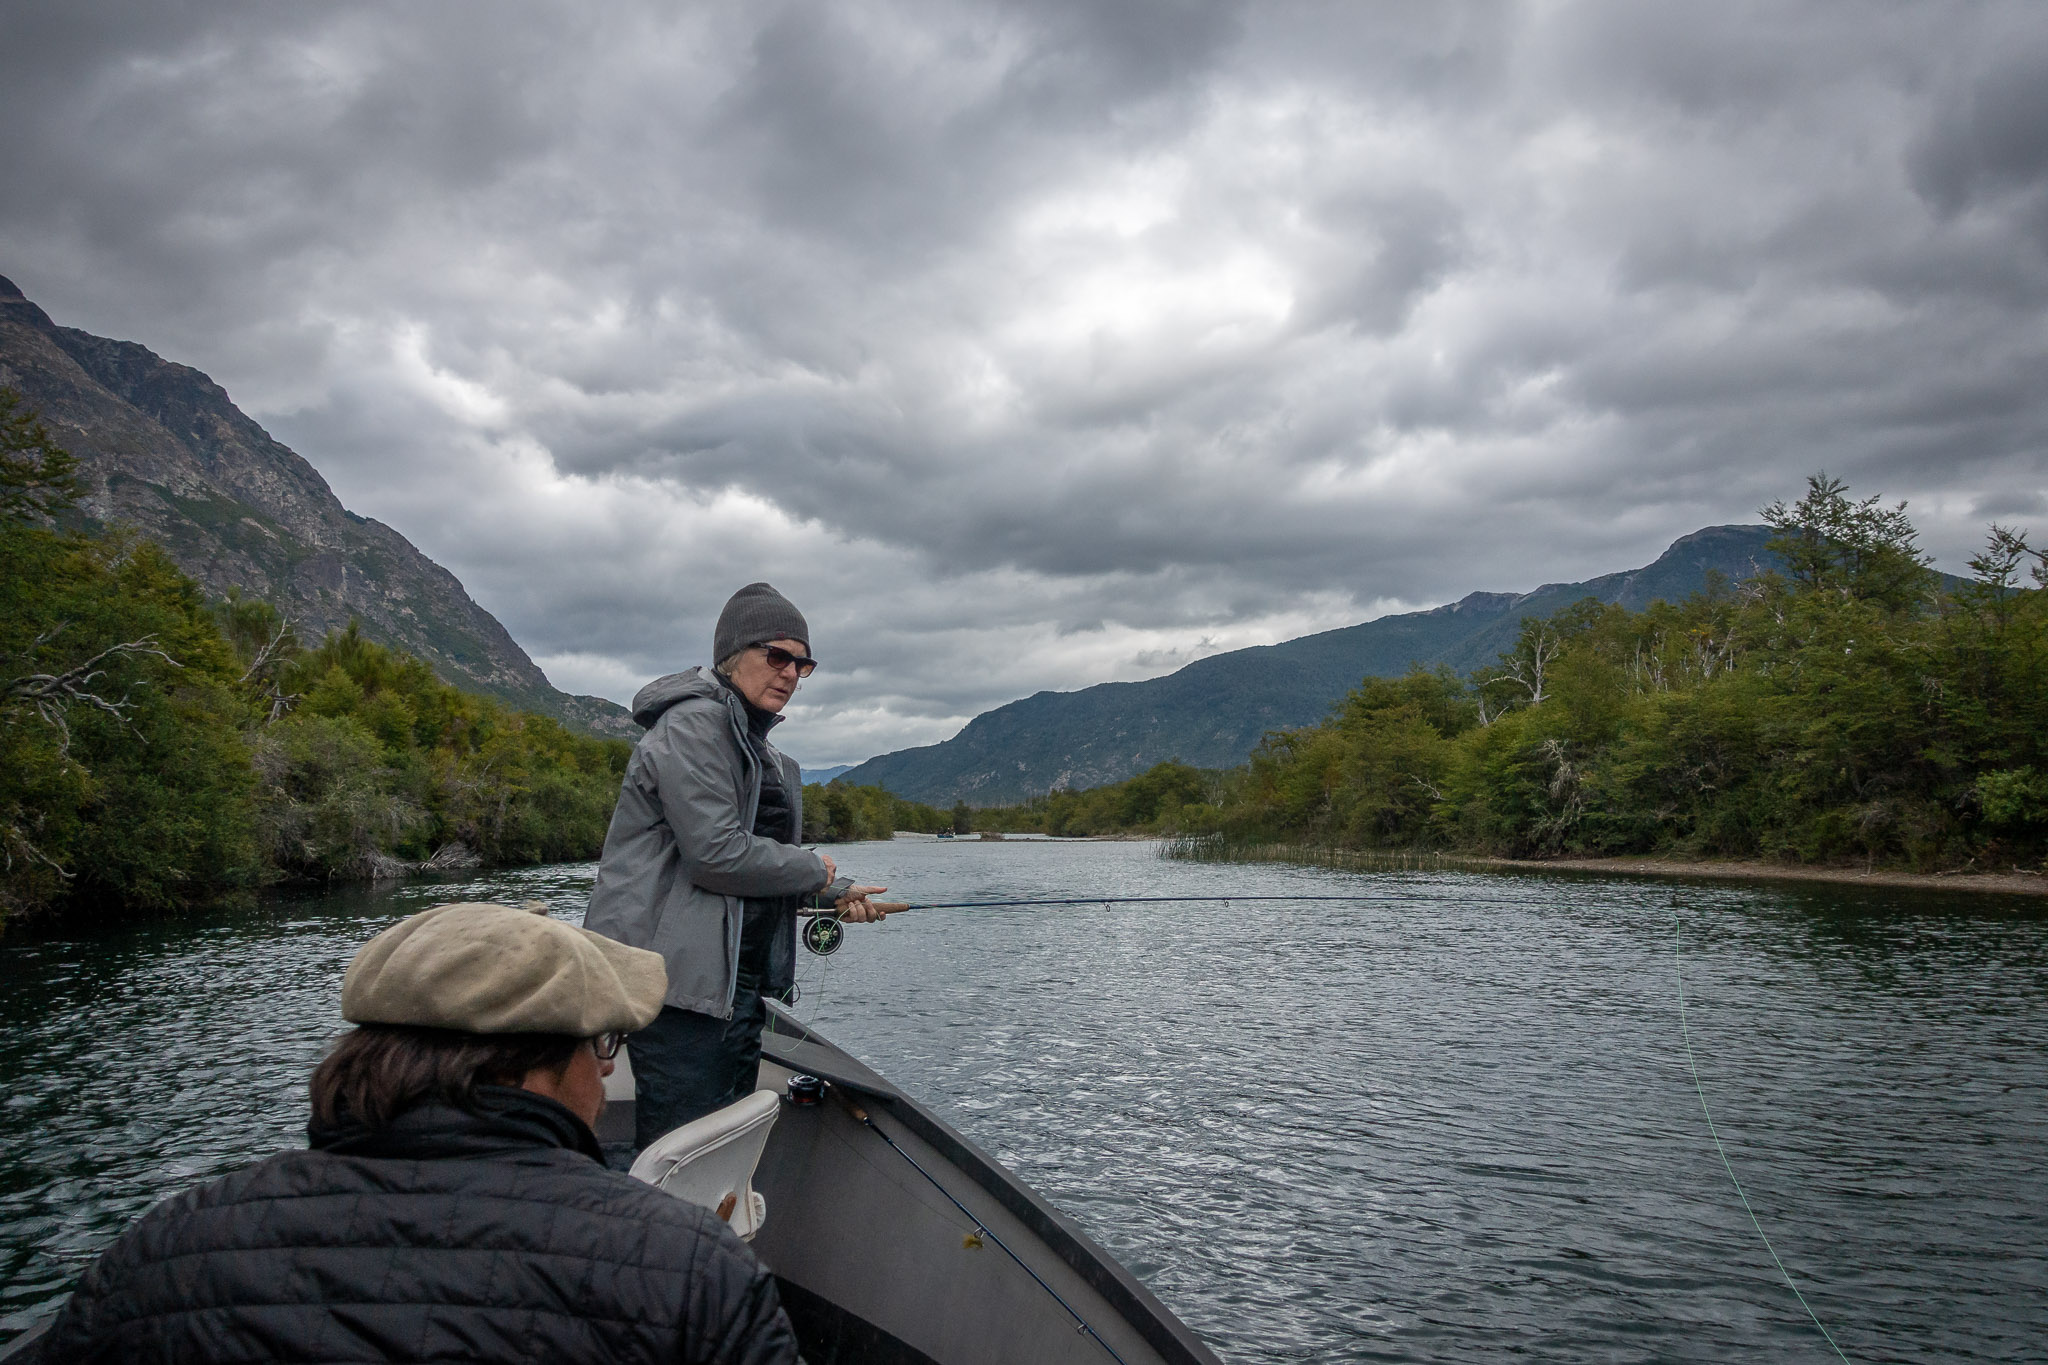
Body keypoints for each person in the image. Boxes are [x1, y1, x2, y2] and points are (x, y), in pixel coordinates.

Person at [28, 901, 801, 1365]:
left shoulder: (165, 1251)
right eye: (601, 1047)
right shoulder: (693, 1269)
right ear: (538, 1068)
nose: (606, 1076)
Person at [585, 582, 885, 1149]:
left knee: (711, 1149)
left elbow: (749, 876)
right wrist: (813, 870)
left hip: (729, 988)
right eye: (777, 656)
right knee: (681, 1152)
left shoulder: (757, 747)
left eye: (804, 663)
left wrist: (833, 895)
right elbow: (717, 856)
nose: (792, 673)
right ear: (731, 656)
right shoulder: (695, 726)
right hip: (678, 990)